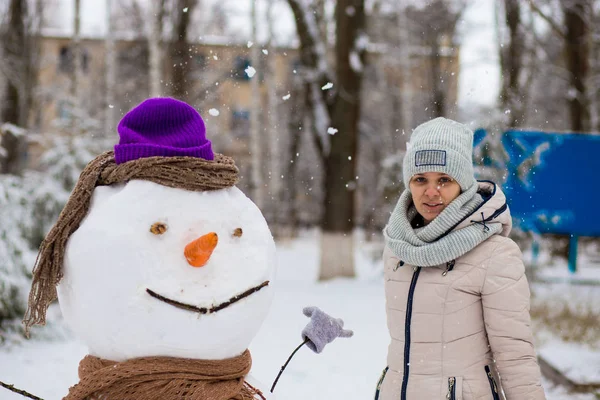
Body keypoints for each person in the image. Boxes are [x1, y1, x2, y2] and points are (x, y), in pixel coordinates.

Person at [376, 117, 546, 400]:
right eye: (420, 180)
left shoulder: (494, 253)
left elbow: (515, 355)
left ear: (463, 184)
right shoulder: (398, 247)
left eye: (444, 179)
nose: (431, 192)